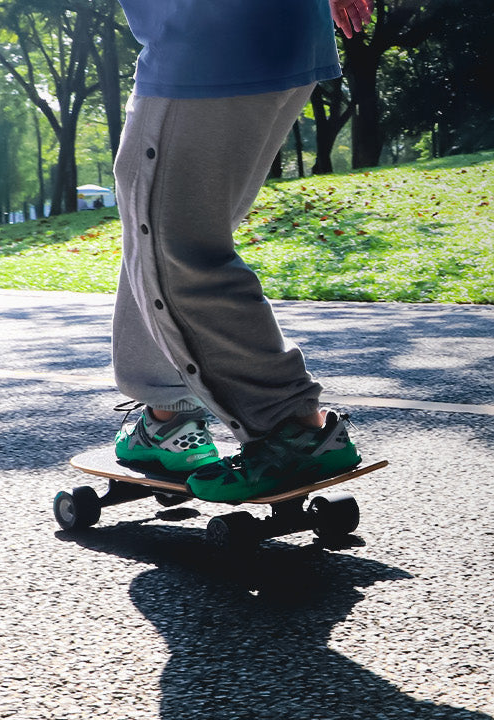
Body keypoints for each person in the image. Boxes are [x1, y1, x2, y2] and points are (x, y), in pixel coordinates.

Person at [109, 0, 371, 502]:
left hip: (205, 44)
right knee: (162, 232)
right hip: (287, 34)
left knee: (176, 250)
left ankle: (295, 427)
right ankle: (169, 416)